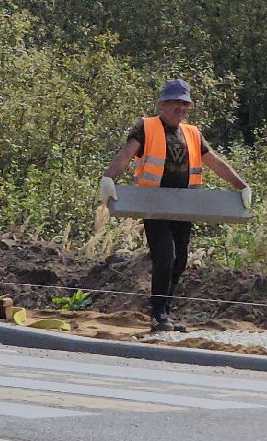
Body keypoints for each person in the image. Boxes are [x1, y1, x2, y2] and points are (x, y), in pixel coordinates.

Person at [101, 79, 249, 332]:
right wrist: (108, 177)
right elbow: (125, 155)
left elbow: (214, 161)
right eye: (175, 102)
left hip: (183, 206)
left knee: (180, 260)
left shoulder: (192, 133)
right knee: (165, 256)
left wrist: (241, 185)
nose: (180, 107)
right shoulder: (146, 127)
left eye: (184, 103)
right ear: (162, 104)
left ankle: (166, 312)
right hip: (153, 204)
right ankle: (158, 315)